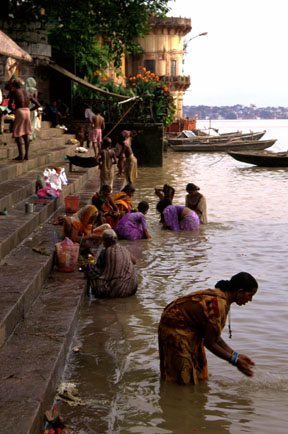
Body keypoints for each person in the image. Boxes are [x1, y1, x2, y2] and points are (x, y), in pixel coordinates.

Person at [158, 272, 258, 385]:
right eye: (250, 295)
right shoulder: (218, 304)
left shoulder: (223, 299)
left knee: (198, 373)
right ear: (240, 292)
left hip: (189, 327)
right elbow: (210, 342)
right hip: (175, 328)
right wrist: (234, 361)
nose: (250, 300)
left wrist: (235, 355)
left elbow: (214, 337)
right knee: (183, 378)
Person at [85, 229, 138, 298]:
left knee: (90, 270)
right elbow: (134, 261)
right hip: (131, 289)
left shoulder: (105, 252)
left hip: (115, 291)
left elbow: (98, 270)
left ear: (104, 242)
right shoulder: (124, 249)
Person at [8, 78, 40, 160]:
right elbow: (37, 104)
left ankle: (21, 155)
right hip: (27, 111)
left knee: (18, 134)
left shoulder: (14, 91)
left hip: (20, 111)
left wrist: (12, 110)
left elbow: (9, 105)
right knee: (25, 134)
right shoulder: (27, 93)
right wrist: (30, 110)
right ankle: (26, 155)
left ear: (15, 85)